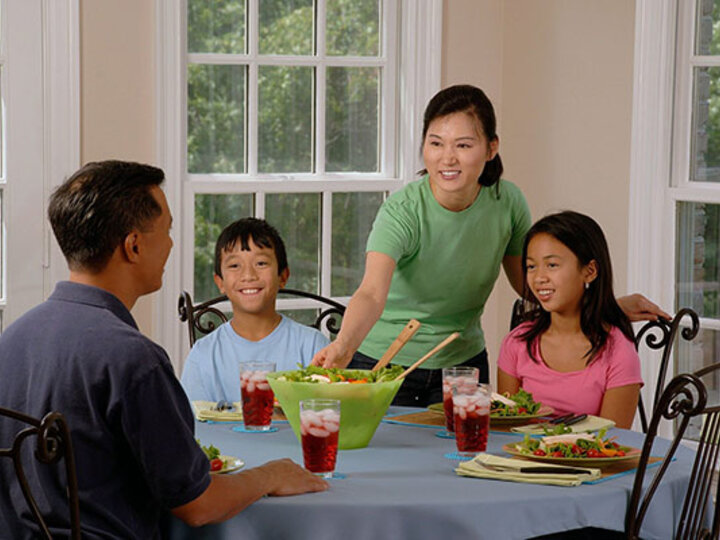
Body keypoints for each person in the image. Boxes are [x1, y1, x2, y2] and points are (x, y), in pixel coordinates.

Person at [0, 161, 326, 539]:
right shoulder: (133, 359)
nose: (171, 243)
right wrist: (272, 473)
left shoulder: (10, 341)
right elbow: (198, 504)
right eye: (168, 230)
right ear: (134, 245)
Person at [312, 84, 667, 407]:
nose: (447, 158)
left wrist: (604, 304)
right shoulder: (402, 211)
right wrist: (344, 347)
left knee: (467, 465)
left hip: (462, 366)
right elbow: (372, 293)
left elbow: (531, 285)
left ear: (491, 147)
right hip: (383, 361)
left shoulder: (507, 202)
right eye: (435, 143)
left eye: (463, 145)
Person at [497, 211, 643, 429]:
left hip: (589, 462)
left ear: (590, 271)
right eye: (531, 266)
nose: (539, 278)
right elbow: (505, 430)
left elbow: (614, 441)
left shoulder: (618, 352)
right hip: (521, 460)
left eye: (552, 265)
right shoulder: (517, 343)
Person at [181, 218, 330, 402]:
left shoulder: (313, 347)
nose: (249, 275)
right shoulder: (204, 355)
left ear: (283, 276)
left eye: (261, 263)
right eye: (235, 265)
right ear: (220, 282)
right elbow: (190, 426)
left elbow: (329, 415)